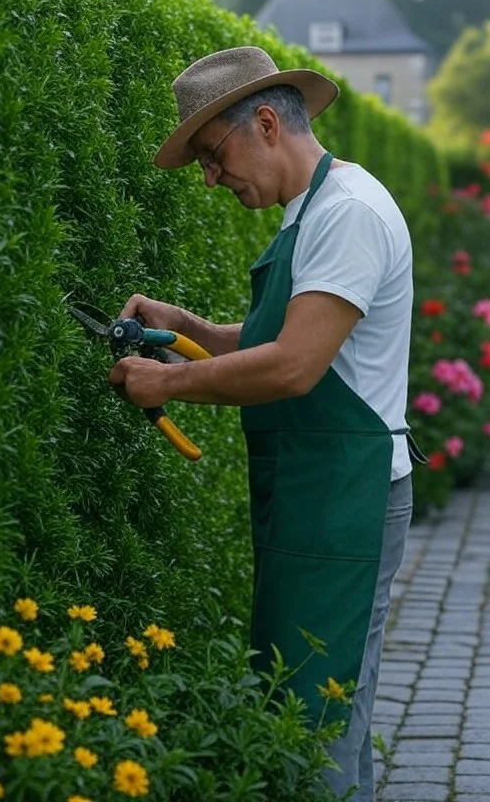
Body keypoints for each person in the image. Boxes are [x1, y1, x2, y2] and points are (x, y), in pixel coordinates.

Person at [108, 46, 421, 802]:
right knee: (311, 707)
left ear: (269, 123)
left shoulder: (346, 214)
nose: (212, 179)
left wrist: (170, 382)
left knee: (316, 718)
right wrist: (188, 328)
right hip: (319, 491)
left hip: (345, 497)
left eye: (214, 157)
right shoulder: (312, 210)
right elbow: (272, 341)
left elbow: (293, 367)